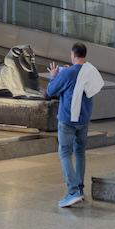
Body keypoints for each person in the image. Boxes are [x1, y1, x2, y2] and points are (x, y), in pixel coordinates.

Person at [46, 42, 104, 208]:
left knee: (64, 153)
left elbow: (50, 91)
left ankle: (73, 192)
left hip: (68, 119)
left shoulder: (69, 73)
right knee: (80, 153)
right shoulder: (91, 71)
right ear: (84, 55)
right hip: (84, 119)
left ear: (73, 54)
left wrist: (54, 75)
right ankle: (79, 188)